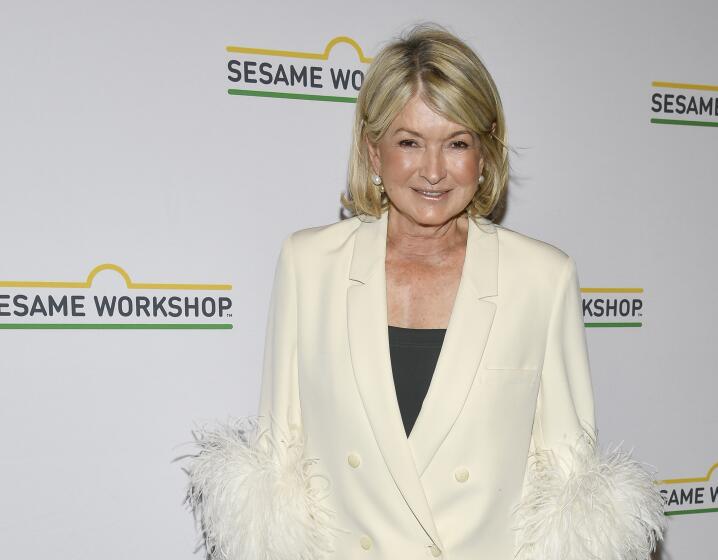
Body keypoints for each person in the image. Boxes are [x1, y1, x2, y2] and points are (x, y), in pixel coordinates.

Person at [183, 24, 665, 560]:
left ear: (484, 156)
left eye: (456, 143)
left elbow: (571, 491)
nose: (433, 171)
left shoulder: (542, 278)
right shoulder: (309, 265)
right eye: (410, 142)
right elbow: (280, 468)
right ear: (374, 151)